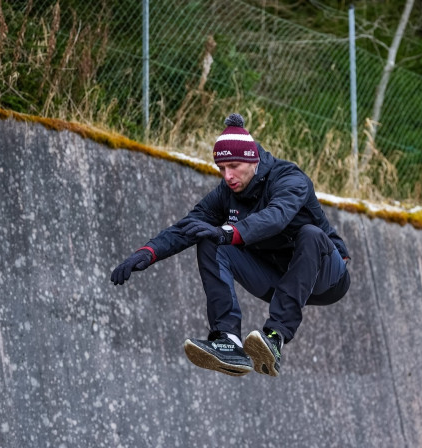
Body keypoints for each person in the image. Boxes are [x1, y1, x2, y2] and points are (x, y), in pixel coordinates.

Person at [110, 113, 351, 377]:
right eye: (222, 169)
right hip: (277, 278)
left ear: (253, 159)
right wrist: (149, 251)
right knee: (209, 239)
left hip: (326, 276)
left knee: (310, 234)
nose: (228, 176)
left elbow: (276, 217)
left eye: (234, 166)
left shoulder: (289, 179)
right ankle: (228, 341)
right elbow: (188, 226)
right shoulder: (226, 194)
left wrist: (228, 231)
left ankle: (275, 335)